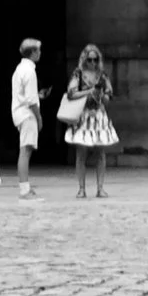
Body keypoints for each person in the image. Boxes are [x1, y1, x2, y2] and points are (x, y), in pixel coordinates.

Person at [60, 44, 119, 200]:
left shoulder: (102, 75)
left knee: (101, 153)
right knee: (81, 153)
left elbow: (109, 94)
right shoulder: (78, 74)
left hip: (98, 115)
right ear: (84, 60)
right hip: (83, 114)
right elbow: (71, 93)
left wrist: (104, 95)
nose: (92, 62)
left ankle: (100, 188)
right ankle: (81, 188)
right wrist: (89, 92)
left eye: (95, 59)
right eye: (89, 59)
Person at [9, 34, 43, 200]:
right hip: (27, 114)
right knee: (25, 151)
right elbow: (30, 100)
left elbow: (24, 94)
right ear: (33, 52)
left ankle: (26, 187)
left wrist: (38, 96)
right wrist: (39, 117)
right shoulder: (30, 71)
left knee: (25, 150)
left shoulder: (19, 69)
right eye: (38, 50)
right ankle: (24, 189)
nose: (40, 53)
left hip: (19, 112)